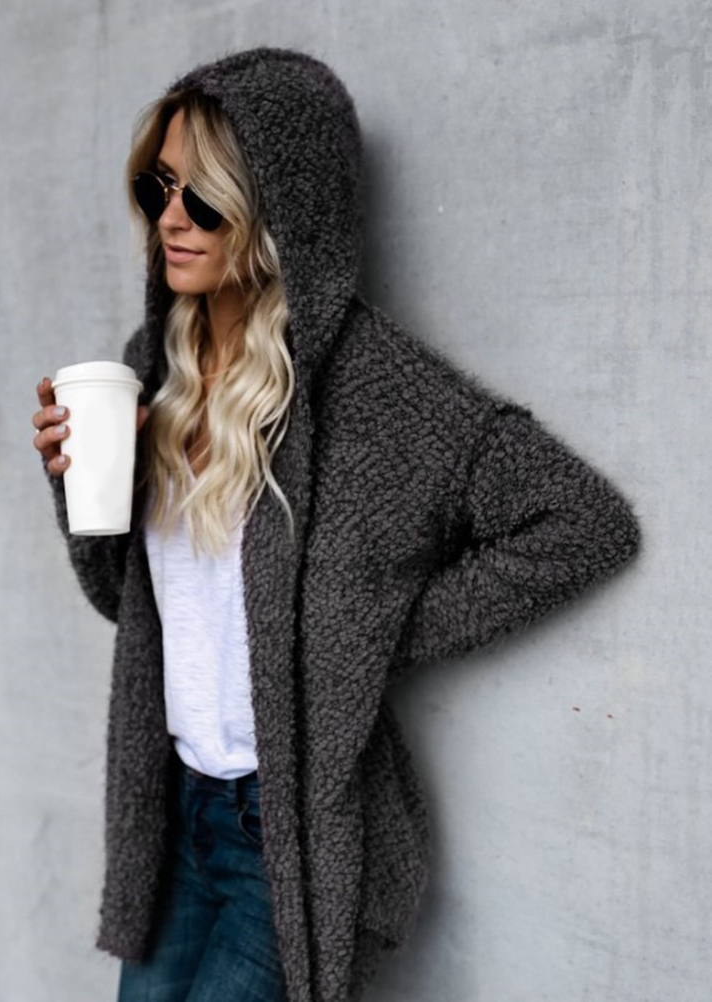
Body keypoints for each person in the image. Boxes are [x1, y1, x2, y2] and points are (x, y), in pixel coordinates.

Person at [31, 46, 642, 1002]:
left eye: (205, 198)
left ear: (282, 206)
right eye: (159, 187)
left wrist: (366, 630)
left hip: (283, 837)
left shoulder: (375, 387)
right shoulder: (149, 366)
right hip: (173, 811)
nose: (170, 219)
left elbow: (583, 524)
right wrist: (76, 489)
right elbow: (125, 603)